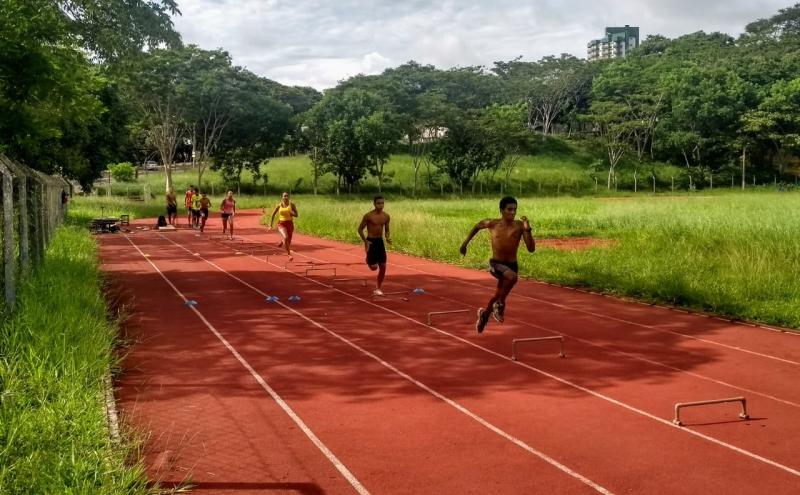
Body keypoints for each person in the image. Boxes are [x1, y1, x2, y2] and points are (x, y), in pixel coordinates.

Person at [459, 196, 535, 333]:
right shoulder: (493, 223)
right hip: (497, 264)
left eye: (515, 210)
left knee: (498, 294)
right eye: (509, 209)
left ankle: (484, 316)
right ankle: (499, 305)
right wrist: (465, 243)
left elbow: (531, 249)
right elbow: (477, 226)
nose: (512, 212)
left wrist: (527, 230)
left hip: (512, 265)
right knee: (512, 278)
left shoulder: (519, 226)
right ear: (501, 210)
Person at [358, 196, 391, 296]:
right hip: (371, 241)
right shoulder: (368, 216)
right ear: (374, 204)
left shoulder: (386, 216)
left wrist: (387, 237)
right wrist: (365, 241)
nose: (380, 205)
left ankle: (378, 288)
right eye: (378, 203)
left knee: (383, 266)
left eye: (382, 203)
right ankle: (368, 259)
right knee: (373, 267)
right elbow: (360, 229)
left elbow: (387, 230)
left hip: (379, 241)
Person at [268, 192, 298, 259]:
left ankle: (282, 241)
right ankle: (289, 255)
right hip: (281, 224)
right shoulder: (279, 205)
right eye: (284, 196)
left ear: (289, 197)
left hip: (290, 224)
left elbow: (297, 215)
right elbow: (273, 215)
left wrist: (292, 214)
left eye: (287, 196)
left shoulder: (292, 205)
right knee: (286, 237)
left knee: (288, 242)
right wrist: (270, 225)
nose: (286, 197)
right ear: (282, 197)